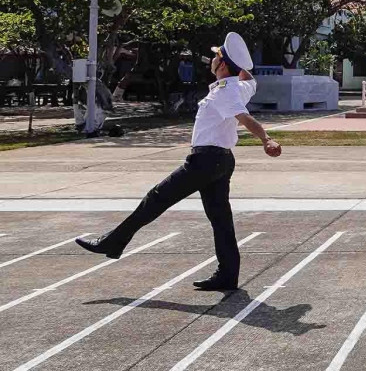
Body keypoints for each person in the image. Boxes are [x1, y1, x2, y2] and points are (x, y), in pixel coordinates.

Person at [75, 32, 282, 291]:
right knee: (220, 218)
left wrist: (266, 139)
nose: (212, 59)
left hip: (205, 161)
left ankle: (112, 242)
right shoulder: (236, 87)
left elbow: (244, 118)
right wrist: (240, 66)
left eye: (216, 56)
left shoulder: (226, 93)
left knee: (156, 198)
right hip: (220, 161)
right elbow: (249, 79)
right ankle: (228, 275)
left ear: (223, 64)